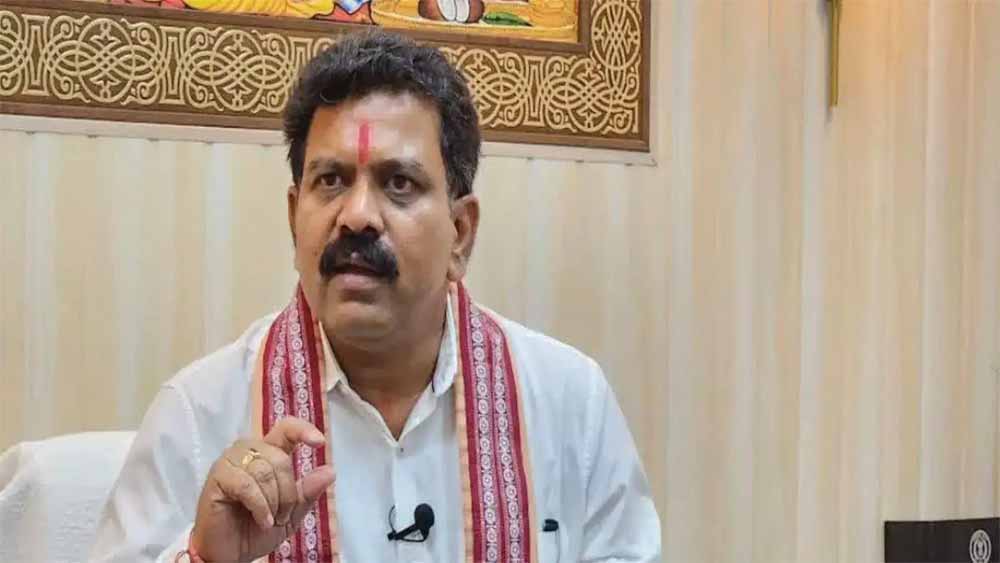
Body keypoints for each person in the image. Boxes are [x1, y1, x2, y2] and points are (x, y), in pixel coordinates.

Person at [89, 29, 661, 563]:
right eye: (331, 181)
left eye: (398, 183)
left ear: (460, 233)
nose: (357, 216)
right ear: (294, 218)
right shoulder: (198, 416)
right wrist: (204, 558)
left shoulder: (568, 403)